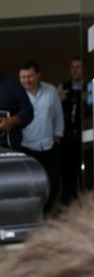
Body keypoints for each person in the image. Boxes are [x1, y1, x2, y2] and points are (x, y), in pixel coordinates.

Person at [18, 60, 63, 213]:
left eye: (30, 76)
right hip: (26, 147)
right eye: (23, 77)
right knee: (30, 184)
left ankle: (46, 211)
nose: (26, 80)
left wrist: (58, 133)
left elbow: (58, 114)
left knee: (53, 183)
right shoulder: (17, 94)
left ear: (38, 75)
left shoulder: (50, 90)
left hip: (48, 145)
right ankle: (34, 213)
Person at [58, 57, 85, 205]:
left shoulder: (90, 86)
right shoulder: (63, 87)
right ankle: (68, 206)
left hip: (85, 136)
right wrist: (58, 100)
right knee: (67, 173)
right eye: (72, 67)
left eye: (78, 67)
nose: (75, 70)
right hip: (67, 137)